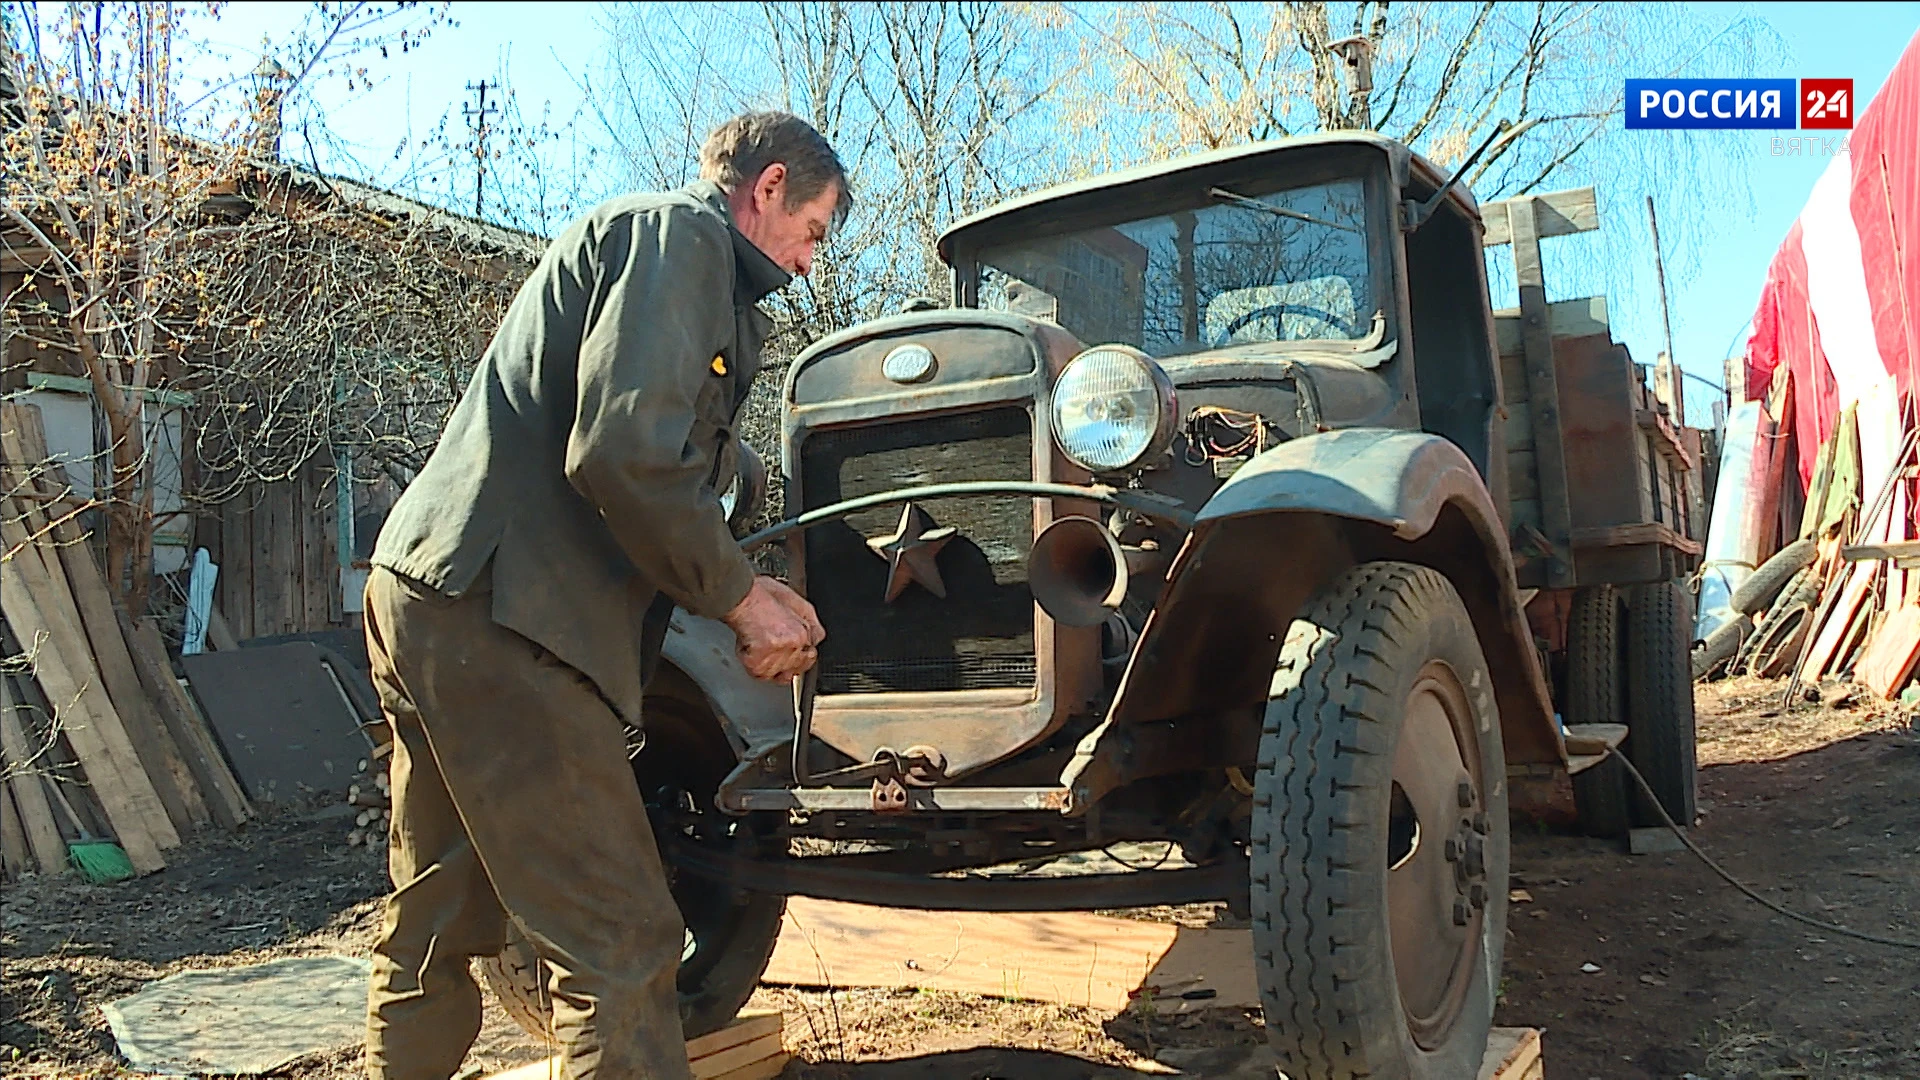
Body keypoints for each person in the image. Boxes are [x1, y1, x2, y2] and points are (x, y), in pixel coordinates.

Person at [360, 111, 846, 1080]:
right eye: (815, 232)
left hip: (428, 594)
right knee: (623, 946)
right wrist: (741, 598)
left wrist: (751, 506)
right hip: (510, 617)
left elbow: (669, 442)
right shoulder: (684, 240)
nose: (807, 264)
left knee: (438, 923)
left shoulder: (655, 258)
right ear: (770, 187)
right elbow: (623, 453)